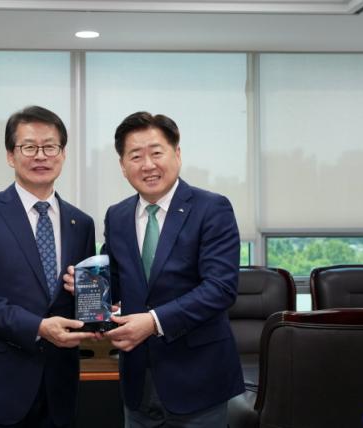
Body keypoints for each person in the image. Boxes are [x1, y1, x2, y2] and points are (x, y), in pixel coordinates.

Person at [0, 106, 96, 428]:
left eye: (50, 146)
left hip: (57, 387)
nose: (40, 155)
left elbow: (81, 300)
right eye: (29, 147)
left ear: (63, 154)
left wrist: (93, 306)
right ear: (10, 156)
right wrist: (37, 327)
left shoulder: (81, 223)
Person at [103, 111, 244, 427]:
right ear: (123, 166)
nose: (147, 165)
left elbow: (220, 288)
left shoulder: (212, 208)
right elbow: (115, 280)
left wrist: (153, 322)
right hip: (138, 382)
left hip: (198, 380)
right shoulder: (117, 216)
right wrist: (87, 285)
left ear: (177, 154)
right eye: (135, 156)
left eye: (156, 153)